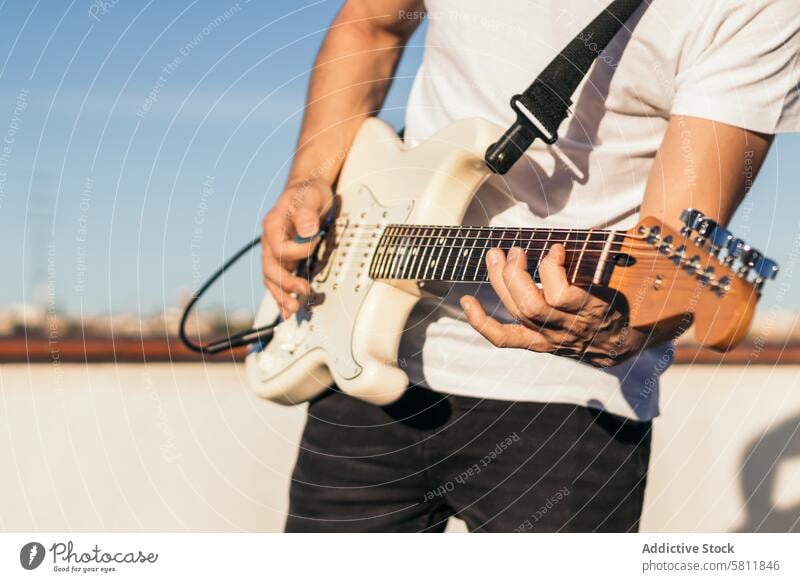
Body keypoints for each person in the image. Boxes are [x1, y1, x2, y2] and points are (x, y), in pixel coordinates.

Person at [260, 0, 800, 532]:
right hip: (362, 365)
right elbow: (371, 24)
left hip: (571, 404)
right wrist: (309, 179)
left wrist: (623, 331)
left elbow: (670, 251)